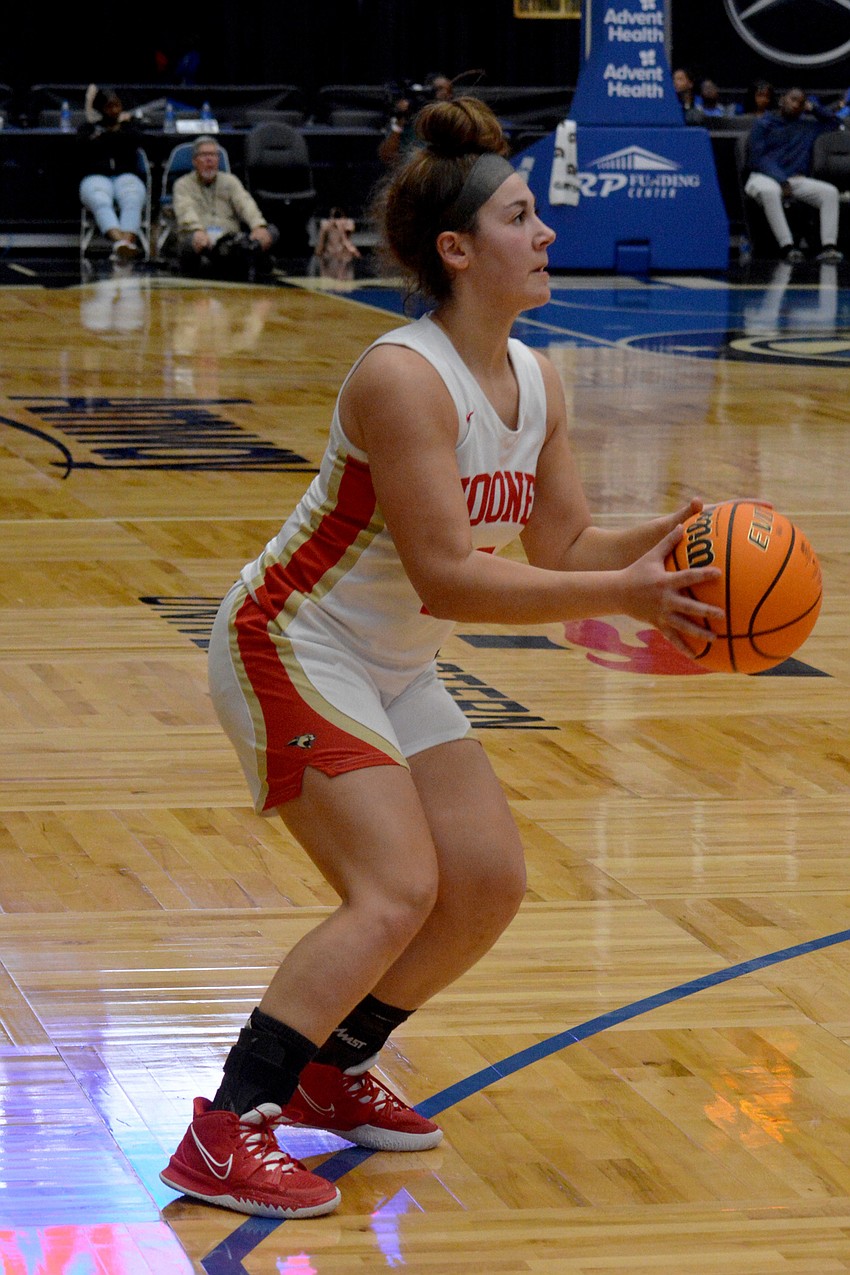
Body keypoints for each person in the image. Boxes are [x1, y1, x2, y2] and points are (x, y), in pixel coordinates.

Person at [159, 94, 724, 1221]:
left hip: (393, 661)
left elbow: (557, 540)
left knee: (486, 885)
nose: (548, 234)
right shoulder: (402, 376)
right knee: (396, 888)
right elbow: (452, 578)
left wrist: (662, 540)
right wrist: (628, 598)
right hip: (294, 638)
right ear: (459, 250)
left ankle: (334, 1064)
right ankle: (227, 1127)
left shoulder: (540, 375)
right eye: (525, 216)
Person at [744, 86, 843, 264]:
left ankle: (828, 247)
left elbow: (835, 123)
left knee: (830, 192)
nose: (796, 104)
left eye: (801, 102)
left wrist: (814, 108)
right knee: (770, 191)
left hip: (793, 180)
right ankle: (787, 247)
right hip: (763, 177)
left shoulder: (808, 127)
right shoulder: (764, 123)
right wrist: (781, 180)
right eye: (793, 99)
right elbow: (757, 158)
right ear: (782, 100)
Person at [172, 136, 279, 279]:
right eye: (204, 155)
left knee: (271, 231)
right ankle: (252, 261)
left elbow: (245, 204)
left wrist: (257, 226)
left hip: (230, 241)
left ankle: (250, 256)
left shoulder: (230, 181)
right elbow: (185, 211)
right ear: (194, 161)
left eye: (213, 155)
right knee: (192, 243)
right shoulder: (182, 184)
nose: (209, 159)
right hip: (200, 240)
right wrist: (197, 230)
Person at [76, 86, 147, 263]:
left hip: (126, 175)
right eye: (109, 107)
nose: (114, 111)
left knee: (132, 197)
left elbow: (134, 140)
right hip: (96, 176)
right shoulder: (87, 129)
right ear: (100, 109)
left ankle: (124, 244)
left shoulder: (129, 128)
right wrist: (105, 134)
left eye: (117, 106)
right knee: (100, 200)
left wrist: (116, 131)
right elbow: (85, 146)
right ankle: (121, 243)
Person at [378, 72, 455, 166]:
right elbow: (387, 157)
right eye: (438, 89)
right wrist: (400, 121)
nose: (445, 94)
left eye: (449, 91)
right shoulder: (409, 116)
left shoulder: (454, 120)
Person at [313, 206, 362, 280]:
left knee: (343, 274)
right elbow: (321, 241)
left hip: (343, 254)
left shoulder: (347, 223)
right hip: (330, 253)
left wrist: (341, 228)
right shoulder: (326, 224)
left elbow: (346, 238)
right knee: (327, 275)